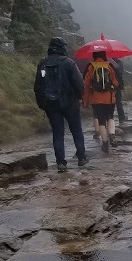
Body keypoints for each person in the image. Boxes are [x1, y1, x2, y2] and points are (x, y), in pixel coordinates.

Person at [34, 36, 88, 172]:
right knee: (76, 129)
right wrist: (79, 97)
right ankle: (82, 157)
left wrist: (42, 103)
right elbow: (79, 83)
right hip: (70, 102)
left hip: (51, 104)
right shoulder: (69, 63)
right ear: (62, 47)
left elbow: (38, 86)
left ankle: (61, 163)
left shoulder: (43, 63)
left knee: (58, 133)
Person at [83, 49, 120, 154]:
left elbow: (86, 85)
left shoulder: (90, 67)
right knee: (110, 117)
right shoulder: (109, 65)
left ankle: (105, 143)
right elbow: (116, 83)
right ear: (104, 55)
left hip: (96, 99)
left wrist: (85, 101)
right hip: (110, 98)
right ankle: (112, 134)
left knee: (101, 120)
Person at [111, 57, 127, 123]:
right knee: (118, 101)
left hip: (109, 85)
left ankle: (110, 118)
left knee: (110, 102)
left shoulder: (107, 61)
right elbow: (120, 74)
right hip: (117, 84)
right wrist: (121, 86)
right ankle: (122, 117)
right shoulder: (118, 62)